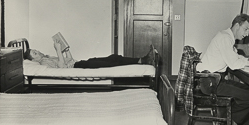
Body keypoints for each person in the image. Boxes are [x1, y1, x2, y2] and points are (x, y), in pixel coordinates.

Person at [196, 13, 249, 125]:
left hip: (214, 79)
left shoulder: (226, 37)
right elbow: (234, 64)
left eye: (248, 31)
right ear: (236, 25)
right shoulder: (225, 38)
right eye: (245, 29)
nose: (246, 34)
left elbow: (235, 58)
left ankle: (224, 116)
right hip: (210, 82)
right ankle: (225, 120)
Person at [24, 38, 156, 69]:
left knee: (114, 57)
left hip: (79, 62)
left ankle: (142, 60)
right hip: (78, 67)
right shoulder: (43, 63)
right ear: (33, 61)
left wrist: (65, 50)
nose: (38, 52)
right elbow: (62, 68)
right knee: (113, 63)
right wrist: (58, 51)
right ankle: (144, 61)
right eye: (35, 54)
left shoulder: (46, 57)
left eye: (35, 50)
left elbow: (69, 60)